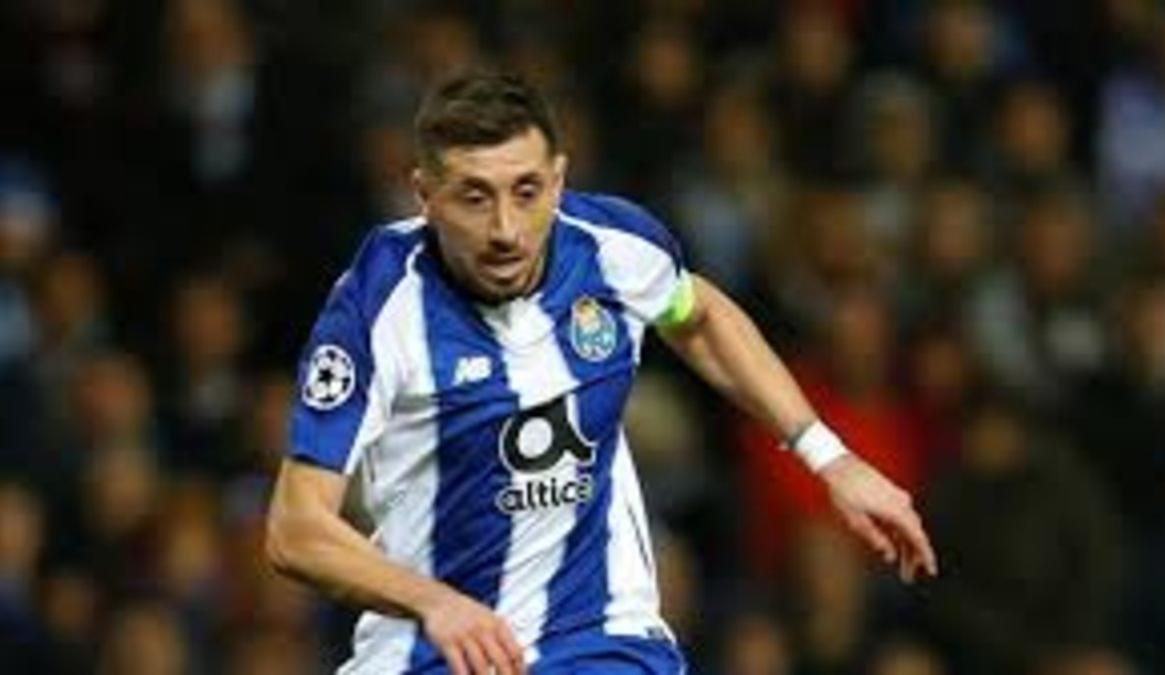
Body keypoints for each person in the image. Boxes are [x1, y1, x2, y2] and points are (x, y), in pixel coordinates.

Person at [264, 71, 937, 675]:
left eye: (526, 191)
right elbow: (296, 529)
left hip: (598, 639)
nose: (505, 229)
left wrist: (830, 457)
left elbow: (697, 314)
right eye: (474, 196)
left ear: (558, 178)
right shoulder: (378, 308)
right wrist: (436, 603)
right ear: (424, 195)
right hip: (432, 652)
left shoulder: (614, 249)